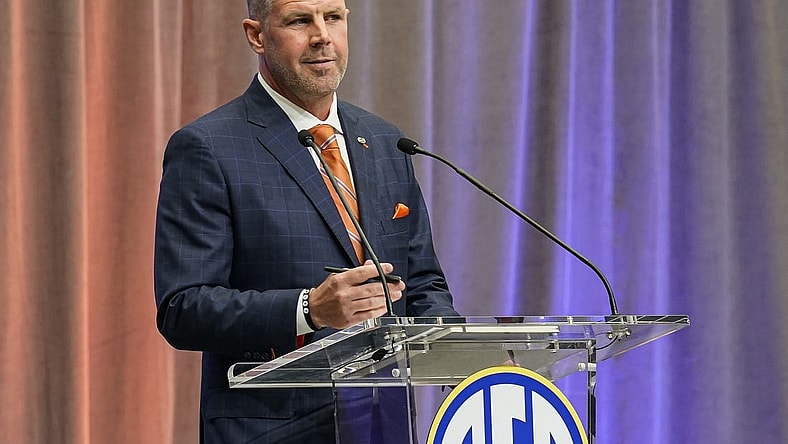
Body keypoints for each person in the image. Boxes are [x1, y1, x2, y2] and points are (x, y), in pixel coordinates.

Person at [154, 0, 460, 442]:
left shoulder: (386, 140)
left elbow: (423, 284)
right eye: (300, 20)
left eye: (333, 17)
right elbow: (183, 308)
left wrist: (458, 349)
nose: (322, 36)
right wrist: (308, 310)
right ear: (256, 35)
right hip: (269, 428)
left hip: (381, 425)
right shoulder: (208, 148)